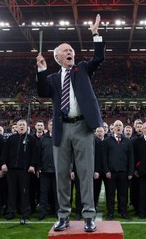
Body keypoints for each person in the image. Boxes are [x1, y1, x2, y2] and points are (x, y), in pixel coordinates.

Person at [36, 14, 104, 232]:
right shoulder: (52, 79)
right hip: (61, 128)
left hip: (83, 127)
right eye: (66, 50)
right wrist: (40, 70)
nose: (70, 52)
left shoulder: (82, 69)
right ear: (57, 57)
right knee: (62, 175)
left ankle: (89, 217)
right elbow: (42, 92)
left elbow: (98, 58)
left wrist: (95, 34)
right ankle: (63, 216)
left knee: (85, 173)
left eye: (71, 50)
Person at [1, 119, 38, 221]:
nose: (21, 127)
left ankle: (25, 212)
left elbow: (35, 154)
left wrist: (32, 165)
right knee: (11, 192)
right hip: (11, 170)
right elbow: (5, 152)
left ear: (27, 127)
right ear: (16, 127)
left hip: (25, 170)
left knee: (25, 192)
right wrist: (3, 163)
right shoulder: (11, 139)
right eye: (20, 125)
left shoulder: (31, 139)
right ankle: (11, 212)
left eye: (23, 125)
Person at [102, 120, 134, 221]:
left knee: (123, 194)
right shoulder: (107, 141)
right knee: (110, 194)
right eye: (117, 126)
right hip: (111, 173)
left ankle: (123, 212)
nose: (119, 127)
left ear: (123, 128)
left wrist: (130, 172)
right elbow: (104, 157)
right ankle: (110, 213)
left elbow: (131, 158)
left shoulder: (128, 141)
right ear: (113, 128)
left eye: (120, 125)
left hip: (123, 173)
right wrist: (106, 170)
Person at [37, 120, 59, 220]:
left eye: (54, 124)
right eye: (51, 124)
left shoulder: (61, 137)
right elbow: (38, 154)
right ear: (48, 126)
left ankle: (59, 212)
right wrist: (39, 167)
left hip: (57, 171)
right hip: (45, 171)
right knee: (43, 192)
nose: (52, 126)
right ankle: (42, 213)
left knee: (57, 192)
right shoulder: (43, 139)